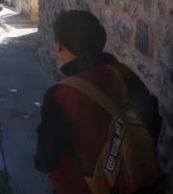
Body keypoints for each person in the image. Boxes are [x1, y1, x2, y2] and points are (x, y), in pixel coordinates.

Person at [35, 10, 162, 194]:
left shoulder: (61, 95)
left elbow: (45, 160)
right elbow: (152, 121)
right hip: (133, 184)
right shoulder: (124, 74)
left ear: (59, 46)